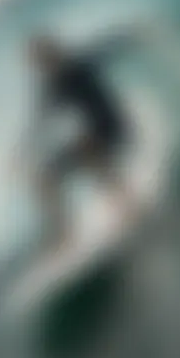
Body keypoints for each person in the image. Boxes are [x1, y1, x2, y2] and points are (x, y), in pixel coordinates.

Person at [18, 26, 144, 253]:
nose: (41, 67)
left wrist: (134, 35)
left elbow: (110, 47)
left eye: (43, 58)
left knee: (87, 147)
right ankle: (65, 234)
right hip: (94, 137)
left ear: (54, 52)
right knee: (44, 177)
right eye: (38, 63)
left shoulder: (80, 63)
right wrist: (21, 154)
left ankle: (128, 207)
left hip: (116, 128)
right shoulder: (52, 86)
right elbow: (39, 123)